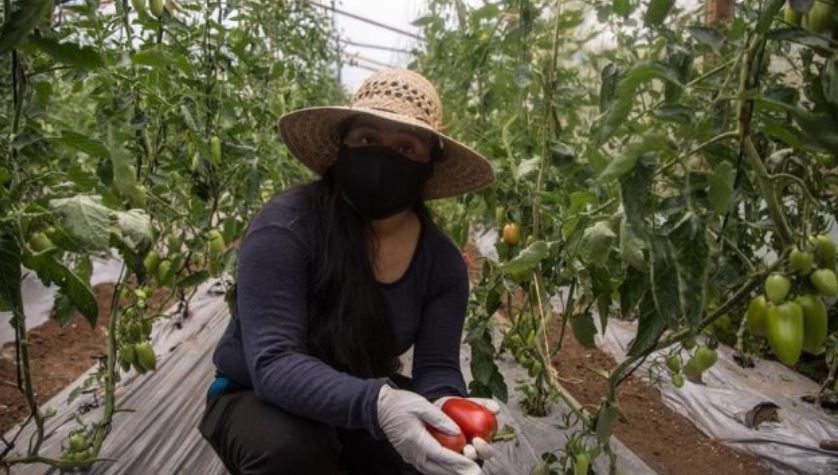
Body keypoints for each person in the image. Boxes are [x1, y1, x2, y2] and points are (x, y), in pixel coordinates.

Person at [198, 68, 499, 475]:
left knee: (433, 459)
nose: (383, 157)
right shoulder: (287, 226)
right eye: (368, 139)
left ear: (429, 166)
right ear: (342, 147)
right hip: (253, 394)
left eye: (406, 147)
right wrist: (380, 404)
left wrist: (447, 406)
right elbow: (273, 363)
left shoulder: (441, 263)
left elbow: (438, 368)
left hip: (359, 390)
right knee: (291, 454)